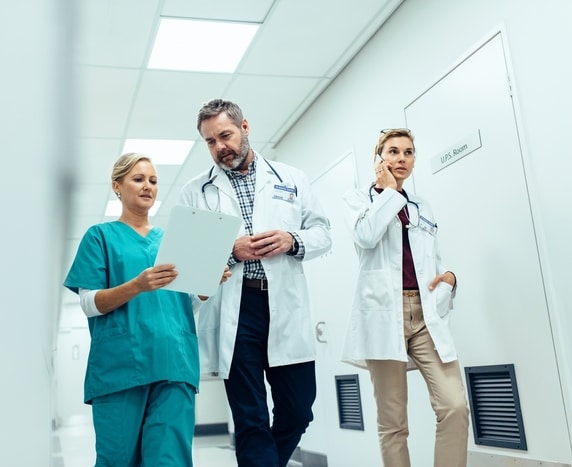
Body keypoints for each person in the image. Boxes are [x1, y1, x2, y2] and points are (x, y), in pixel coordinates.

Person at [179, 99, 332, 467]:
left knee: (298, 411)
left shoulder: (291, 178)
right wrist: (229, 250)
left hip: (284, 305)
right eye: (211, 142)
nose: (220, 147)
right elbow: (188, 267)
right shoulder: (195, 191)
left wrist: (292, 241)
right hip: (237, 309)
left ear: (245, 128)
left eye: (225, 136)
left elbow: (323, 233)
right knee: (251, 420)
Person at [64, 153, 217, 467]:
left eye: (153, 181)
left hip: (174, 363)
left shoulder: (174, 240)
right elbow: (89, 303)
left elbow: (184, 305)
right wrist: (136, 285)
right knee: (118, 460)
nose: (147, 186)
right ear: (117, 186)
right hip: (121, 367)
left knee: (170, 460)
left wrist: (204, 288)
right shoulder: (100, 237)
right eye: (138, 179)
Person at [341, 128, 470, 467]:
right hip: (385, 314)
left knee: (454, 406)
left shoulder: (421, 205)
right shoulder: (358, 200)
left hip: (425, 314)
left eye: (408, 152)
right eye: (393, 152)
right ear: (378, 159)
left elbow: (432, 259)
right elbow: (367, 236)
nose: (401, 158)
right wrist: (389, 192)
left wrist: (449, 279)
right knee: (393, 422)